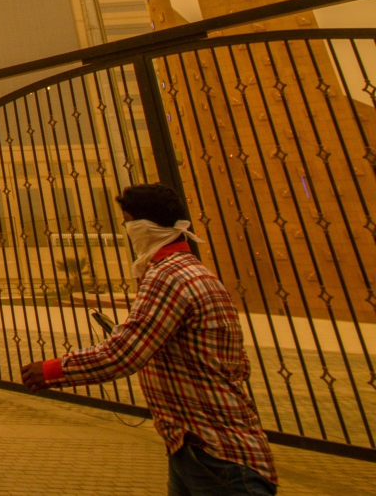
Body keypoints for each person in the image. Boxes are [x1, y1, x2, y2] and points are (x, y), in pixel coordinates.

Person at [21, 183, 276, 495]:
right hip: (191, 445)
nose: (128, 230)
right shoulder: (191, 271)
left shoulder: (168, 277)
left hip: (218, 456)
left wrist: (50, 370)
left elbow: (123, 354)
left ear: (145, 226)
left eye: (128, 221)